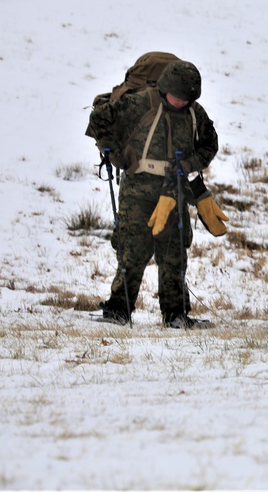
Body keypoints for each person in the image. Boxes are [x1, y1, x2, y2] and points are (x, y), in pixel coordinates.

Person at [89, 60, 221, 328]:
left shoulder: (196, 113)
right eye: (178, 96)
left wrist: (189, 165)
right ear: (166, 87)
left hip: (175, 190)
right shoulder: (141, 103)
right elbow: (100, 118)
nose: (182, 102)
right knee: (132, 248)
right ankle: (118, 309)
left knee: (174, 253)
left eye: (188, 98)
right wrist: (114, 153)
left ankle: (176, 314)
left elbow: (210, 144)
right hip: (137, 188)